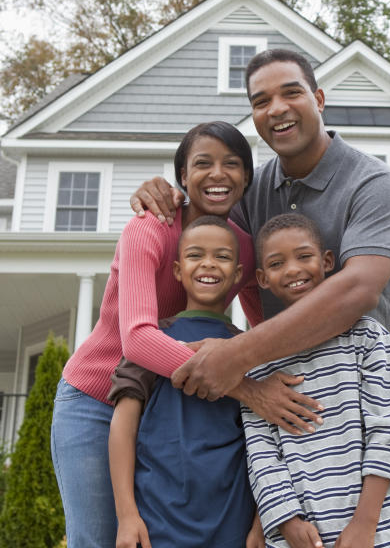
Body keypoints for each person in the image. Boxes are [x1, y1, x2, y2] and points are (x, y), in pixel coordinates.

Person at [131, 49, 390, 547]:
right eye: (261, 101)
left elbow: (357, 291)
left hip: (363, 404)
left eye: (291, 92)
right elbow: (209, 237)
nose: (277, 108)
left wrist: (236, 356)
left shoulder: (374, 185)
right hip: (279, 398)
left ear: (320, 99)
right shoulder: (255, 191)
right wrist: (167, 192)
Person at [52, 121, 323, 548]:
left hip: (170, 405)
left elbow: (266, 332)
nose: (218, 174)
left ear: (246, 178)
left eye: (231, 164)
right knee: (103, 539)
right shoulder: (149, 228)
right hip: (96, 399)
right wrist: (246, 387)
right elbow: (138, 341)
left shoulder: (243, 247)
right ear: (182, 176)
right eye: (203, 164)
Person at [244, 213, 390, 548]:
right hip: (299, 535)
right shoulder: (257, 359)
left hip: (377, 529)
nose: (293, 269)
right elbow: (261, 453)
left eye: (304, 256)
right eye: (277, 263)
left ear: (327, 261)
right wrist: (287, 521)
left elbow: (387, 431)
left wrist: (365, 523)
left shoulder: (367, 337)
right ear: (262, 278)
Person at [108, 216, 257, 548]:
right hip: (157, 522)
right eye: (195, 255)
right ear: (177, 270)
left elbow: (266, 445)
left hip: (233, 524)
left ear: (236, 274)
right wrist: (127, 515)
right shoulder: (153, 339)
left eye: (222, 256)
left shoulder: (250, 351)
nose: (208, 263)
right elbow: (123, 425)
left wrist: (261, 523)